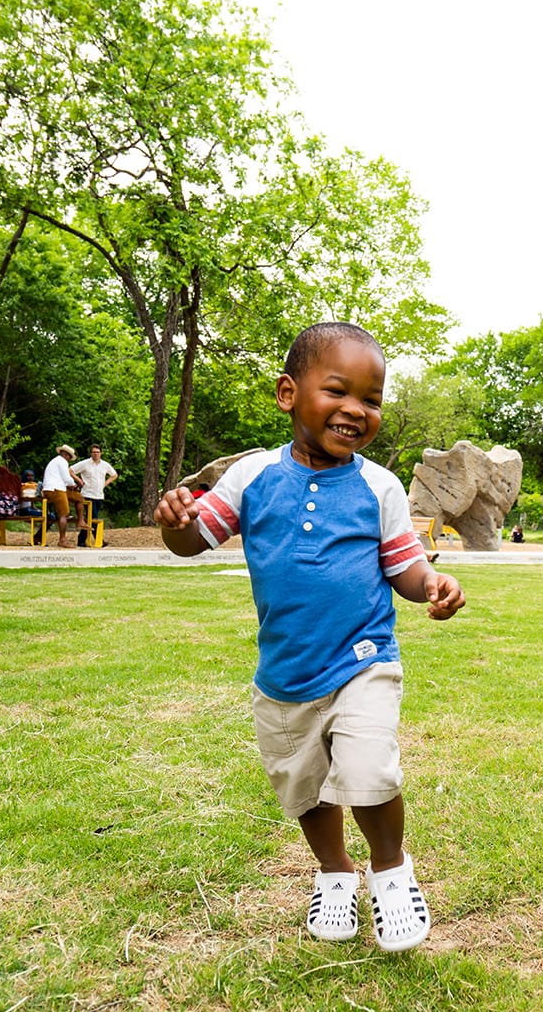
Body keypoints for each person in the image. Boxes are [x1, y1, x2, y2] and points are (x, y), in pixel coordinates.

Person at [156, 321, 465, 953]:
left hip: (362, 660)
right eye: (337, 391)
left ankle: (390, 871)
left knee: (368, 769)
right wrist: (175, 523)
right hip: (285, 674)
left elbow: (403, 566)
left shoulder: (378, 486)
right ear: (287, 394)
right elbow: (194, 542)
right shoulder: (252, 477)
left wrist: (431, 581)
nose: (356, 409)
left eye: (371, 399)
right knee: (302, 785)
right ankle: (334, 873)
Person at [71, 444, 117, 547]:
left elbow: (114, 474)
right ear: (91, 453)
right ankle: (99, 539)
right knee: (93, 517)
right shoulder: (85, 463)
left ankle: (81, 539)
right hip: (87, 494)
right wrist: (79, 480)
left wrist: (105, 483)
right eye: (93, 452)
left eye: (97, 452)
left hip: (99, 494)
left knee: (90, 518)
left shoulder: (105, 465)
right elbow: (71, 470)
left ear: (100, 453)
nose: (95, 454)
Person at [41, 445, 77, 548]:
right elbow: (66, 478)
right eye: (69, 457)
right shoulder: (62, 462)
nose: (69, 460)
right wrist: (73, 484)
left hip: (49, 488)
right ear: (66, 455)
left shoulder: (54, 461)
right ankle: (62, 540)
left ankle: (39, 537)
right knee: (63, 514)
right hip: (56, 489)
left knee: (60, 513)